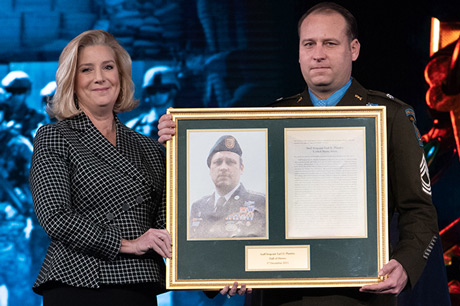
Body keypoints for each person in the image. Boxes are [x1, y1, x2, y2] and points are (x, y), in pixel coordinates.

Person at [157, 2, 440, 305]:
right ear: (299, 53)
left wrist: (406, 265)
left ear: (353, 49)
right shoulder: (270, 119)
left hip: (357, 295)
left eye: (330, 43)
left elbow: (419, 210)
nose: (318, 53)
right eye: (309, 44)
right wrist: (178, 140)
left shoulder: (390, 117)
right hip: (280, 296)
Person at [29, 30, 172, 306]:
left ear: (121, 76)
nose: (100, 77)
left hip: (138, 286)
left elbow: (171, 227)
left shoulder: (152, 148)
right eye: (86, 69)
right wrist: (128, 244)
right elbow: (55, 217)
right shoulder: (54, 136)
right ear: (72, 80)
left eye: (108, 67)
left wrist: (215, 274)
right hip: (78, 283)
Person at [189, 134, 266, 239]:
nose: (223, 167)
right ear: (210, 169)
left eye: (230, 162)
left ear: (241, 168)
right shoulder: (198, 207)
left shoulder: (261, 203)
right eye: (218, 162)